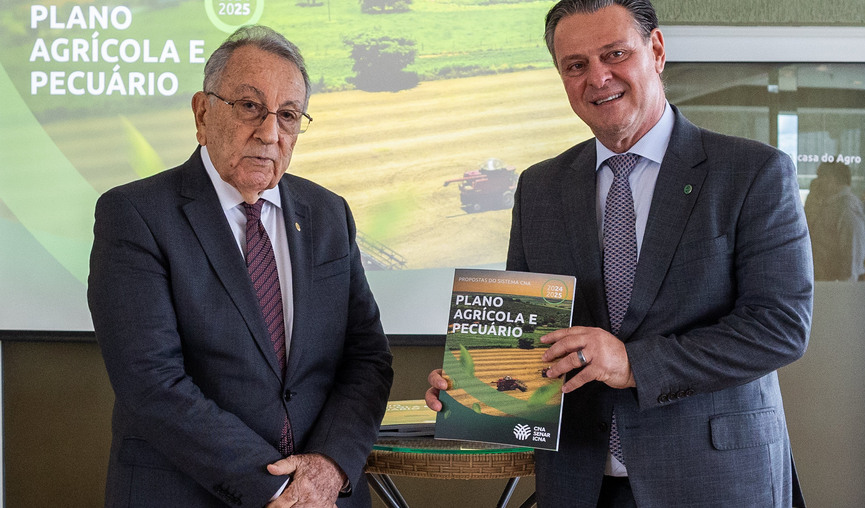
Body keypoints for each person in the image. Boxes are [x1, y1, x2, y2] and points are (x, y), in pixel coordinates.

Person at [426, 0, 812, 506]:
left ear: (656, 50)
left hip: (713, 478)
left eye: (614, 54)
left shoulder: (753, 172)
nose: (598, 78)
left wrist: (633, 363)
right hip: (580, 482)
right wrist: (472, 384)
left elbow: (779, 327)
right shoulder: (539, 187)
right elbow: (527, 338)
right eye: (576, 65)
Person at [88, 25, 393, 508]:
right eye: (250, 106)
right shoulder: (136, 215)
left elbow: (367, 360)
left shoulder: (330, 215)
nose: (269, 133)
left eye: (289, 115)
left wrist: (329, 468)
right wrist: (278, 488)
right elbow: (152, 382)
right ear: (202, 112)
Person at [806, 161, 865, 281]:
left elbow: (852, 255)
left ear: (831, 179)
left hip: (839, 286)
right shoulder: (830, 205)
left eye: (820, 177)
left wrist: (844, 289)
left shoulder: (847, 208)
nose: (816, 182)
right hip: (827, 284)